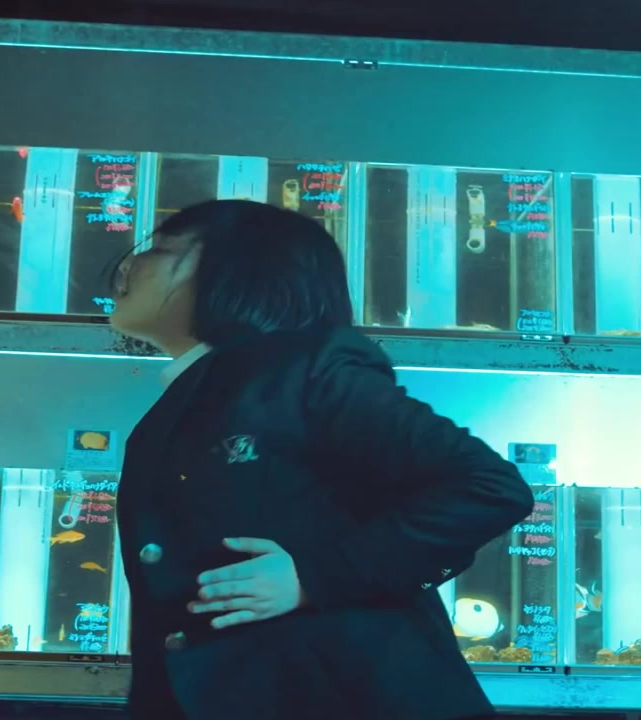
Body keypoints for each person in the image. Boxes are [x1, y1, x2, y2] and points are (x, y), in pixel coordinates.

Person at [109, 199, 535, 720]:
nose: (129, 264)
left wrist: (316, 577)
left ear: (237, 268)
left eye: (160, 249)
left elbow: (487, 485)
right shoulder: (194, 392)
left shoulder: (307, 369)